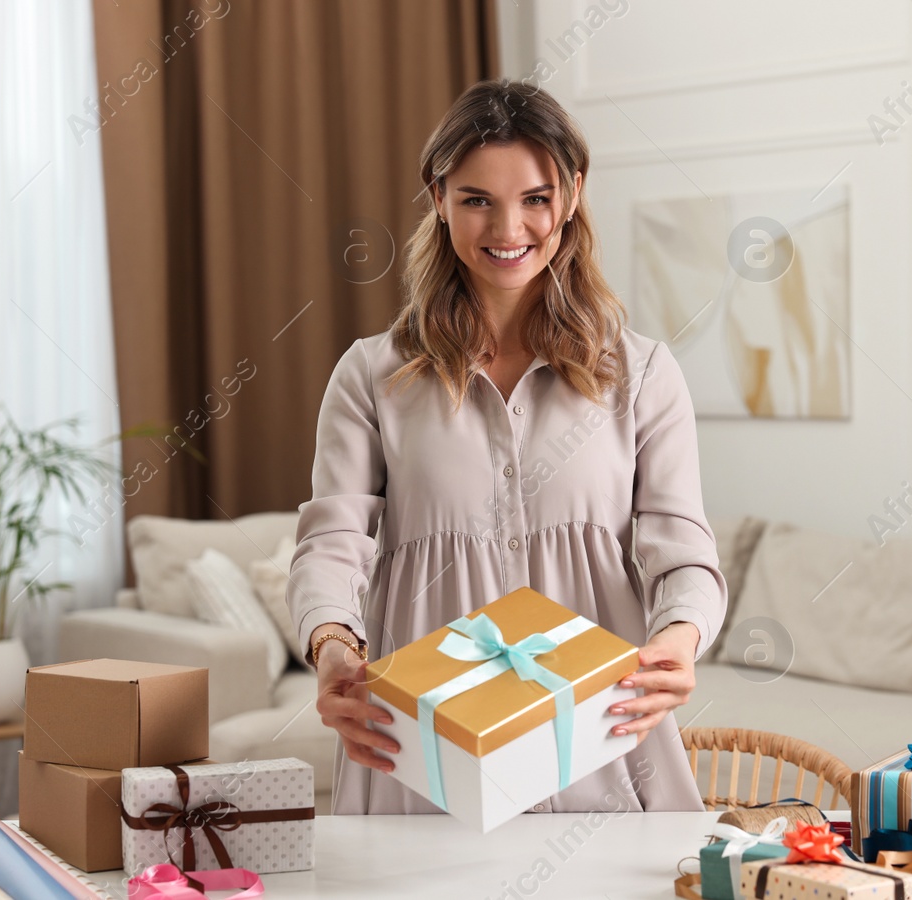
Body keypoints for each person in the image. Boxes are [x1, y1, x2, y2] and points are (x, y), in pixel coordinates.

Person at [288, 77, 727, 816]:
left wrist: (679, 641)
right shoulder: (372, 376)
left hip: (603, 748)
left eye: (534, 198)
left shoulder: (643, 374)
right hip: (420, 756)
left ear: (574, 192)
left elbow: (683, 550)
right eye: (477, 199)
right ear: (437, 196)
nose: (509, 228)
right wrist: (332, 645)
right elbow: (330, 544)